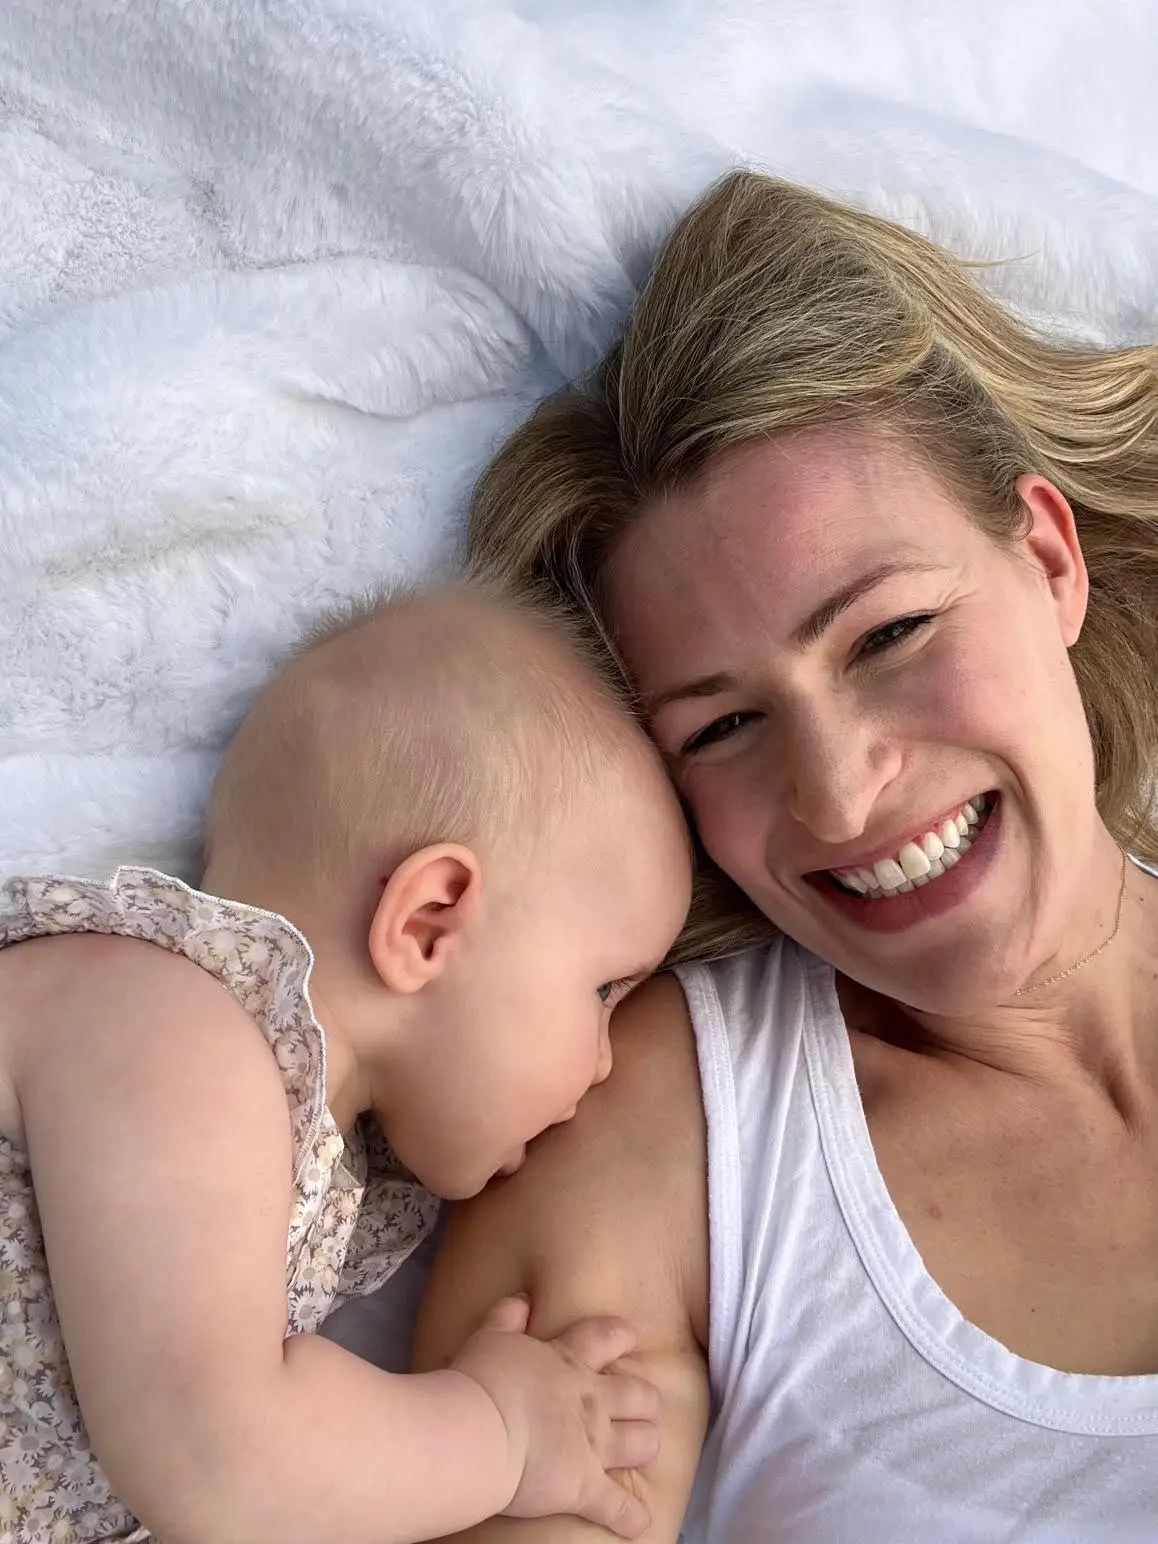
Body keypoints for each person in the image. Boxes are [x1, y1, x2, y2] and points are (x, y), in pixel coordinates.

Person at [413, 171, 1158, 1542]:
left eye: (889, 634)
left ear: (1050, 560)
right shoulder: (672, 1130)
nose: (837, 790)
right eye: (724, 726)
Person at [0, 579, 692, 1543]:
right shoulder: (172, 1034)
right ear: (429, 923)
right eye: (606, 989)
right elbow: (220, 1462)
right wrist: (500, 1434)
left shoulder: (290, 1150)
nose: (612, 1062)